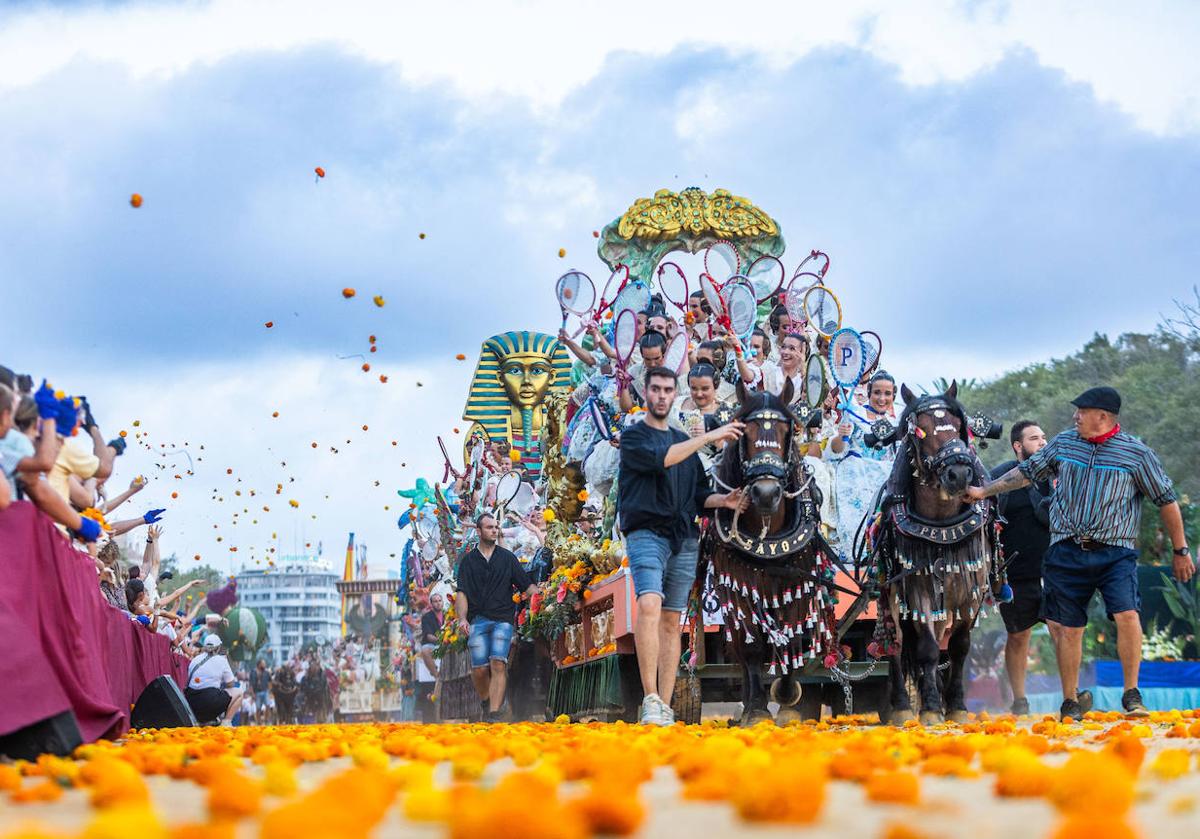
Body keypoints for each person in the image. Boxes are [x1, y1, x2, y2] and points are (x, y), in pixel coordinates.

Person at [967, 387, 1194, 720]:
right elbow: (1025, 473)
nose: (1075, 416)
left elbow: (1166, 500)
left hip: (1116, 551)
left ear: (1102, 416)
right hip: (1066, 550)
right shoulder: (1064, 443)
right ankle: (1070, 702)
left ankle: (1132, 695)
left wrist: (1180, 549)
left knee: (1127, 614)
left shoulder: (1136, 454)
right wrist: (984, 489)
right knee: (1068, 627)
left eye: (1081, 411)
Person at [617, 366, 748, 725]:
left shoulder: (681, 442)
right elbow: (664, 460)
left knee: (673, 620)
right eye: (655, 389)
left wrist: (724, 502)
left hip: (684, 536)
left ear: (675, 395)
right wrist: (710, 436)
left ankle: (667, 701)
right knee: (648, 604)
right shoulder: (634, 438)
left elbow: (698, 495)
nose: (661, 396)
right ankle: (650, 699)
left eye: (667, 390)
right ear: (646, 393)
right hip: (645, 533)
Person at [992, 420, 1053, 715]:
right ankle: (1019, 700)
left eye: (1043, 437)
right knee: (1019, 635)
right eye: (1034, 438)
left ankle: (1072, 695)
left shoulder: (1056, 474)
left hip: (1056, 567)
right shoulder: (1000, 476)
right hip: (1015, 571)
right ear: (1018, 446)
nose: (1042, 442)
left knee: (1066, 630)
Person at [454, 513, 537, 721]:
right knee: (480, 669)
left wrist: (542, 596)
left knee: (498, 663)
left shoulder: (507, 558)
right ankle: (486, 701)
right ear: (479, 531)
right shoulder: (467, 562)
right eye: (489, 527)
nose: (494, 530)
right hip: (478, 620)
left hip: (503, 619)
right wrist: (462, 618)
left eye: (496, 527)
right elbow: (461, 593)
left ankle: (494, 713)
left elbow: (526, 585)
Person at [185, 635, 244, 726]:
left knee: (216, 693)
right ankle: (226, 722)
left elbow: (188, 681)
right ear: (218, 648)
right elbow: (231, 684)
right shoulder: (221, 660)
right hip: (210, 702)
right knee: (239, 692)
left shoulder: (195, 659)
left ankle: (207, 721)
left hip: (192, 703)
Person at [300, 658, 333, 723]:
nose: (314, 667)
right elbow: (303, 685)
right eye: (312, 665)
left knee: (324, 697)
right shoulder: (306, 676)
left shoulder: (322, 675)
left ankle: (324, 714)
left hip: (320, 693)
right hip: (309, 693)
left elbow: (323, 685)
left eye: (315, 665)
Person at [250, 659, 271, 724]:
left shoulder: (267, 672)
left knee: (268, 705)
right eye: (263, 664)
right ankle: (258, 722)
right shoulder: (253, 672)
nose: (265, 665)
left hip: (265, 691)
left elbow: (270, 681)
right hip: (257, 692)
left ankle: (266, 720)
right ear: (259, 665)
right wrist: (252, 694)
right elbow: (251, 684)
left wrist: (269, 690)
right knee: (258, 708)